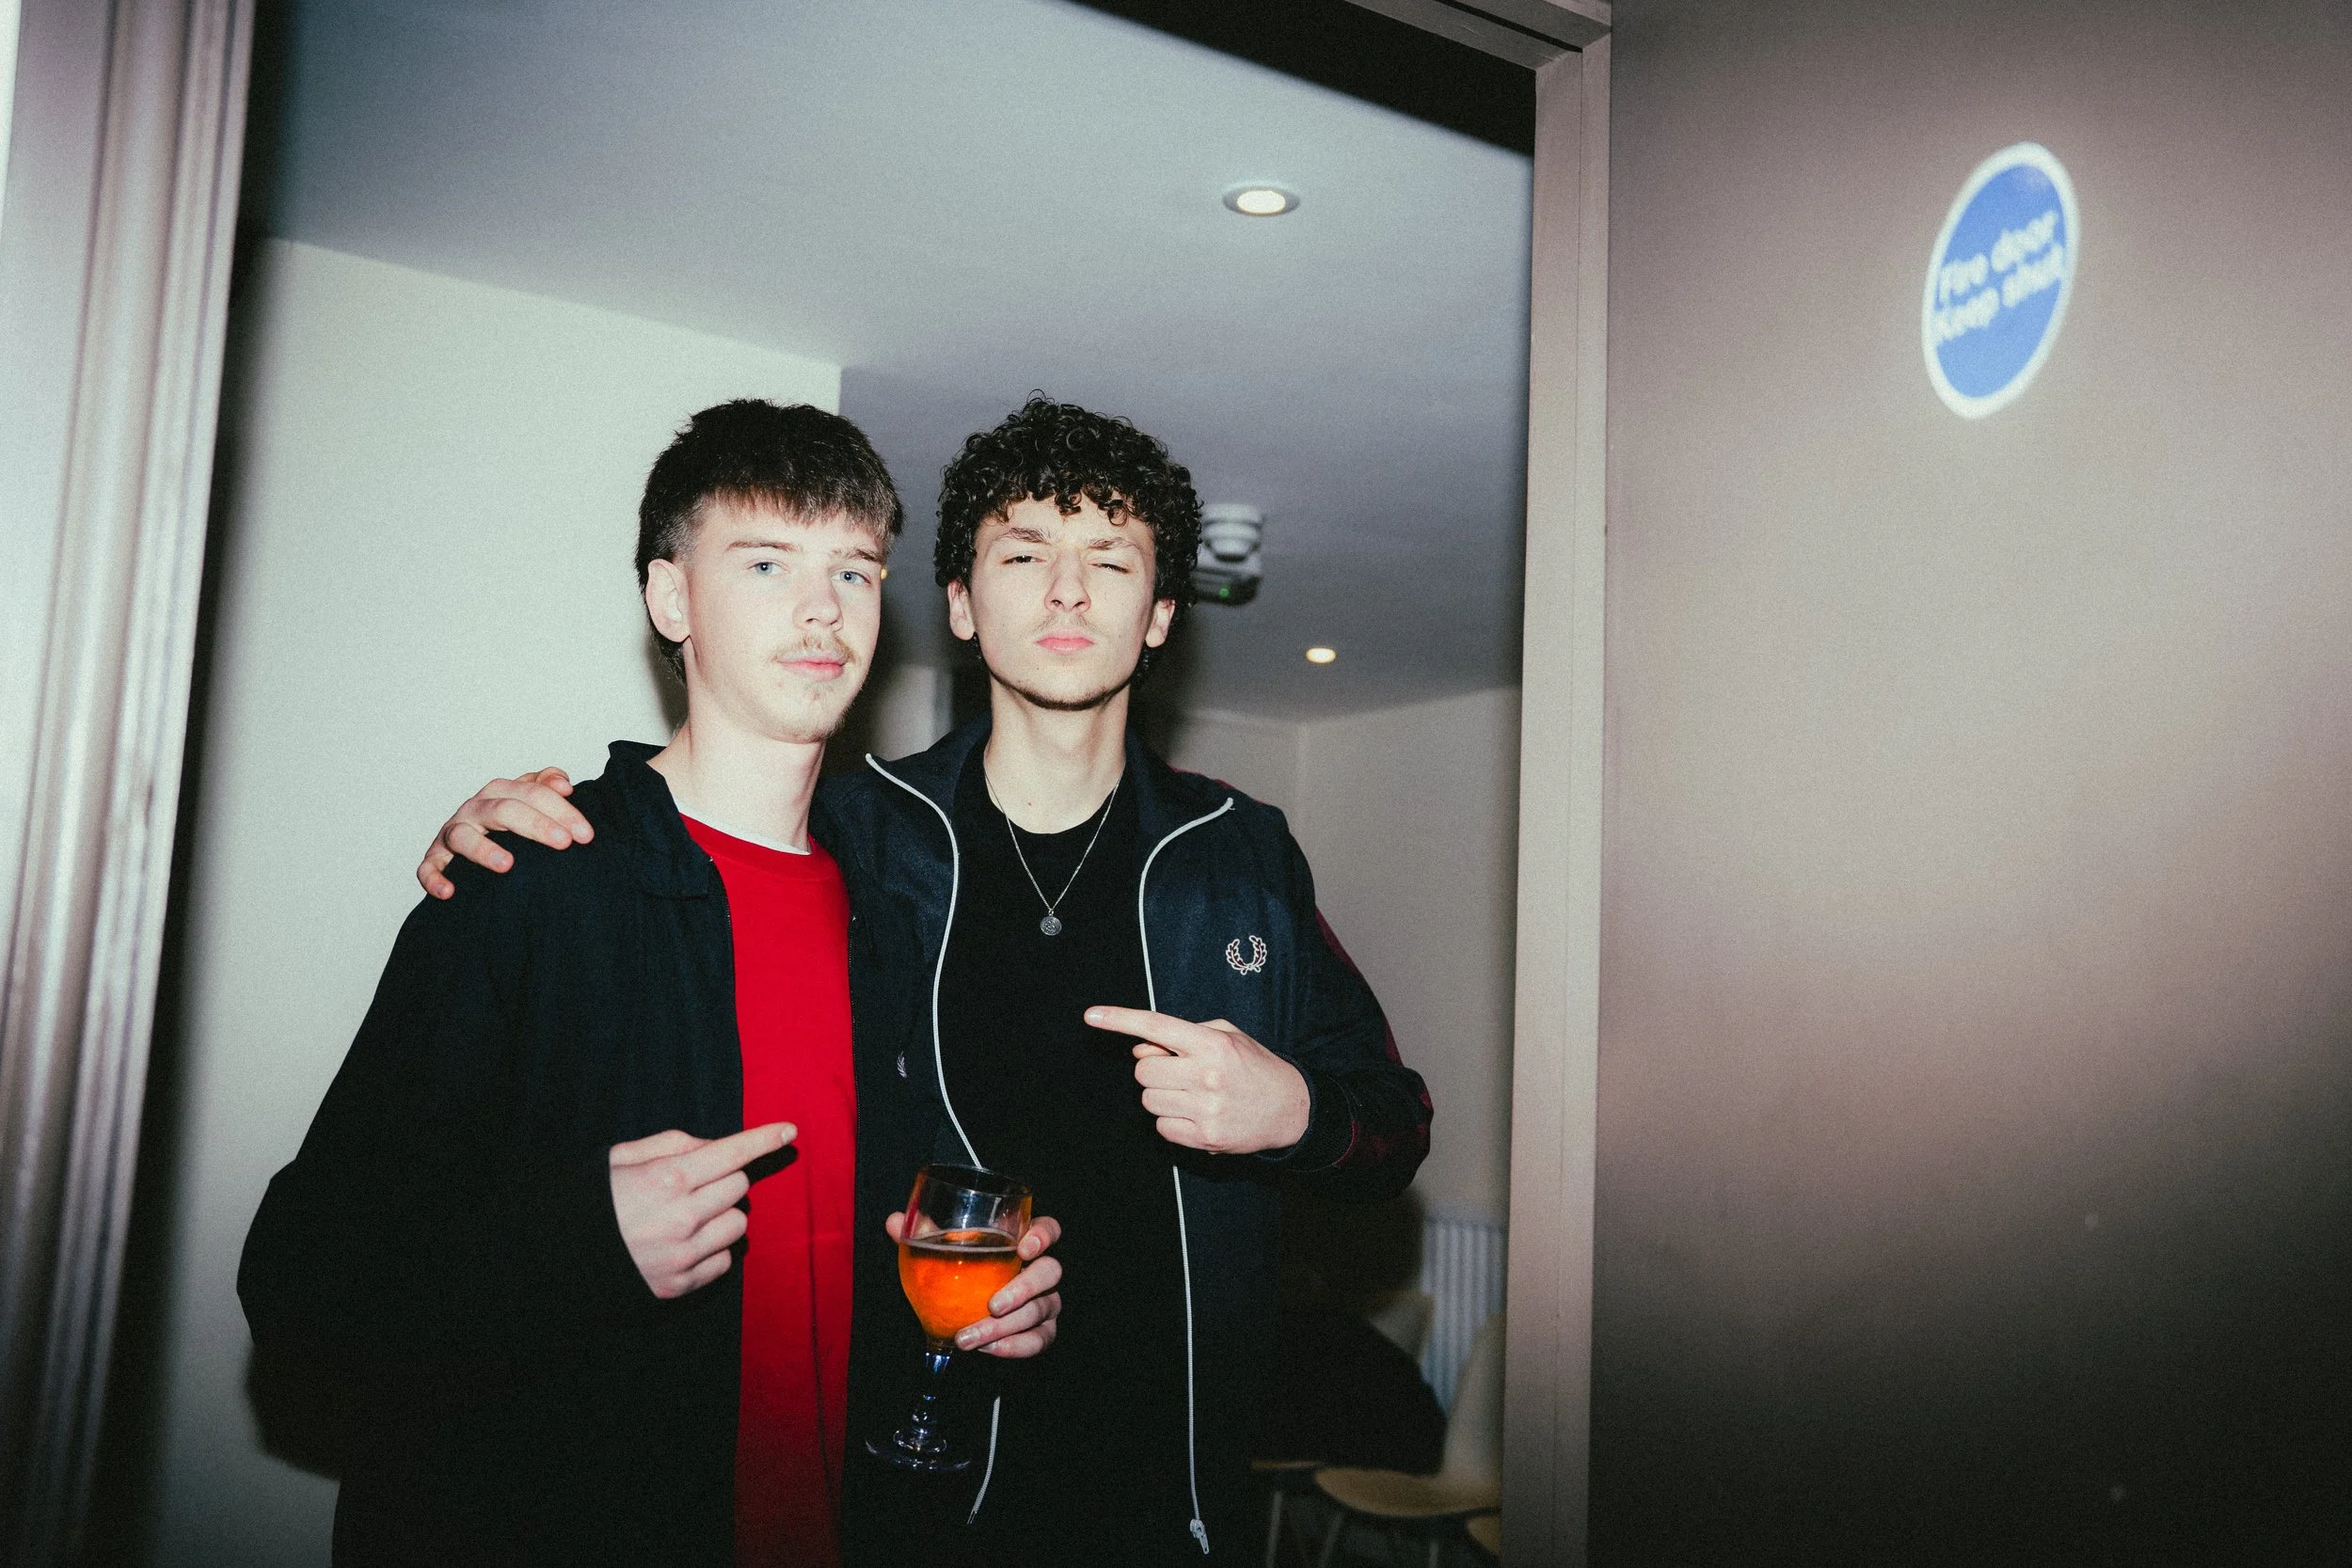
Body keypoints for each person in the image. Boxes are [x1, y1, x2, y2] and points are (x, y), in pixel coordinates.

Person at [418, 396, 1434, 1563]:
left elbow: (1393, 1126)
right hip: (905, 1486)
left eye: (1110, 560)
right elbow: (712, 823)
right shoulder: (858, 830)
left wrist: (1293, 1111)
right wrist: (534, 820)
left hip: (1168, 1490)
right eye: (1023, 554)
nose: (1066, 590)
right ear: (957, 604)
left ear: (1158, 616)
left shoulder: (1242, 851)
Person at [239, 401, 1063, 1568]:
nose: (822, 608)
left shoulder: (901, 912)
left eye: (855, 571)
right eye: (767, 562)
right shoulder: (532, 880)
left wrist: (985, 1318)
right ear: (672, 598)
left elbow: (853, 1250)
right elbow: (300, 1278)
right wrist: (580, 1238)